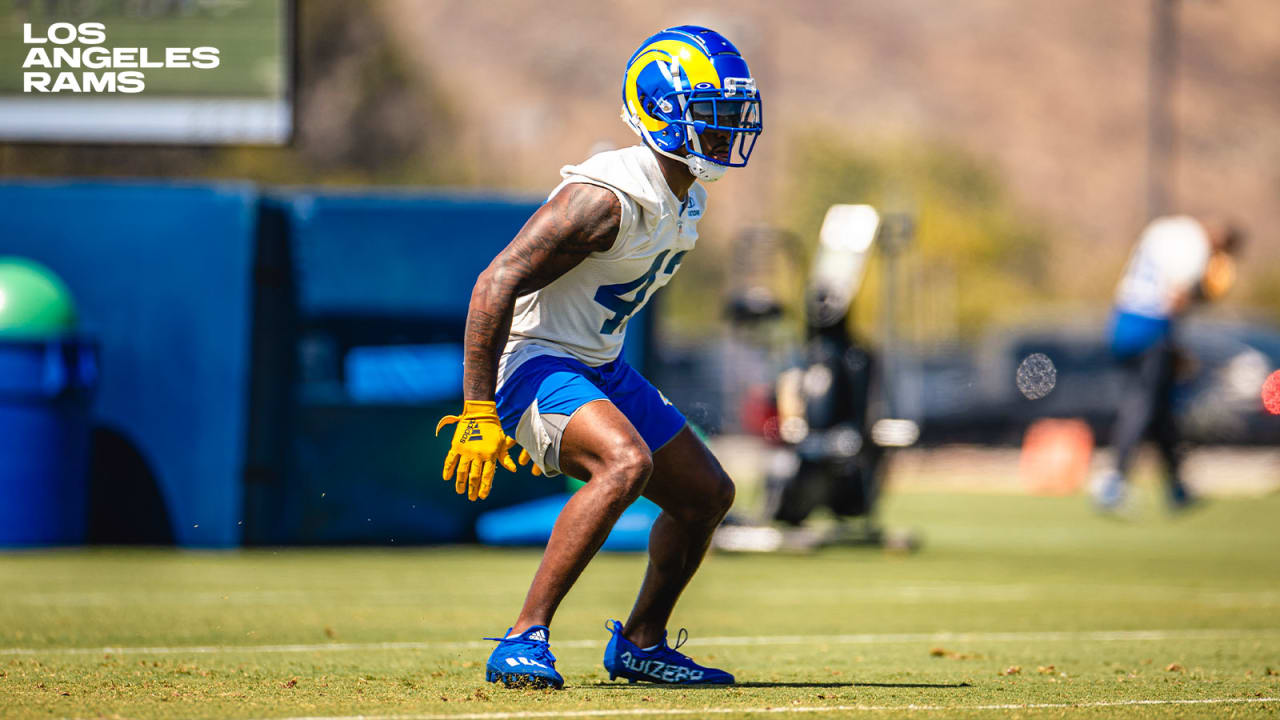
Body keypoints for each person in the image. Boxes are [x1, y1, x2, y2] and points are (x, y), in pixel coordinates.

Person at [433, 25, 763, 688]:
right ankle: (525, 636)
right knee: (625, 461)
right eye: (714, 114)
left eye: (733, 115)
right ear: (666, 114)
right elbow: (495, 281)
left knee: (706, 496)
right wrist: (477, 409)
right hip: (534, 359)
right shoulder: (604, 196)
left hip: (597, 361)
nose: (729, 128)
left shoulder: (685, 196)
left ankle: (641, 642)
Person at [1092, 215, 1242, 513]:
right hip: (1151, 326)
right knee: (1144, 402)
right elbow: (1175, 297)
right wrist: (1199, 301)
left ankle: (1177, 486)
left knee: (1159, 406)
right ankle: (1113, 480)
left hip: (1123, 319)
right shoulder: (1195, 247)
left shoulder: (1165, 229)